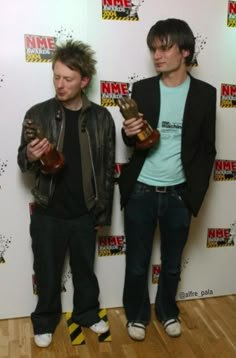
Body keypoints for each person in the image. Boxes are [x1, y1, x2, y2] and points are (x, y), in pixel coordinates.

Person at [118, 18, 216, 341]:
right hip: (141, 190)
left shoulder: (205, 94)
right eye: (153, 49)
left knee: (172, 264)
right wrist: (129, 133)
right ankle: (137, 314)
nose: (156, 55)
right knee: (137, 263)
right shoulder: (142, 89)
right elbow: (132, 138)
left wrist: (192, 195)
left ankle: (167, 311)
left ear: (185, 51)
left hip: (178, 195)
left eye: (164, 47)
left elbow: (206, 149)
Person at [17, 40, 115, 348]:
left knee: (86, 271)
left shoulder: (101, 118)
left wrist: (102, 213)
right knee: (46, 271)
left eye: (68, 78)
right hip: (48, 212)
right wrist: (31, 156)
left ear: (84, 80)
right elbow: (22, 161)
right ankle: (45, 319)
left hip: (85, 211)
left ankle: (87, 313)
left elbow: (107, 169)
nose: (60, 85)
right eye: (56, 77)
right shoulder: (38, 114)